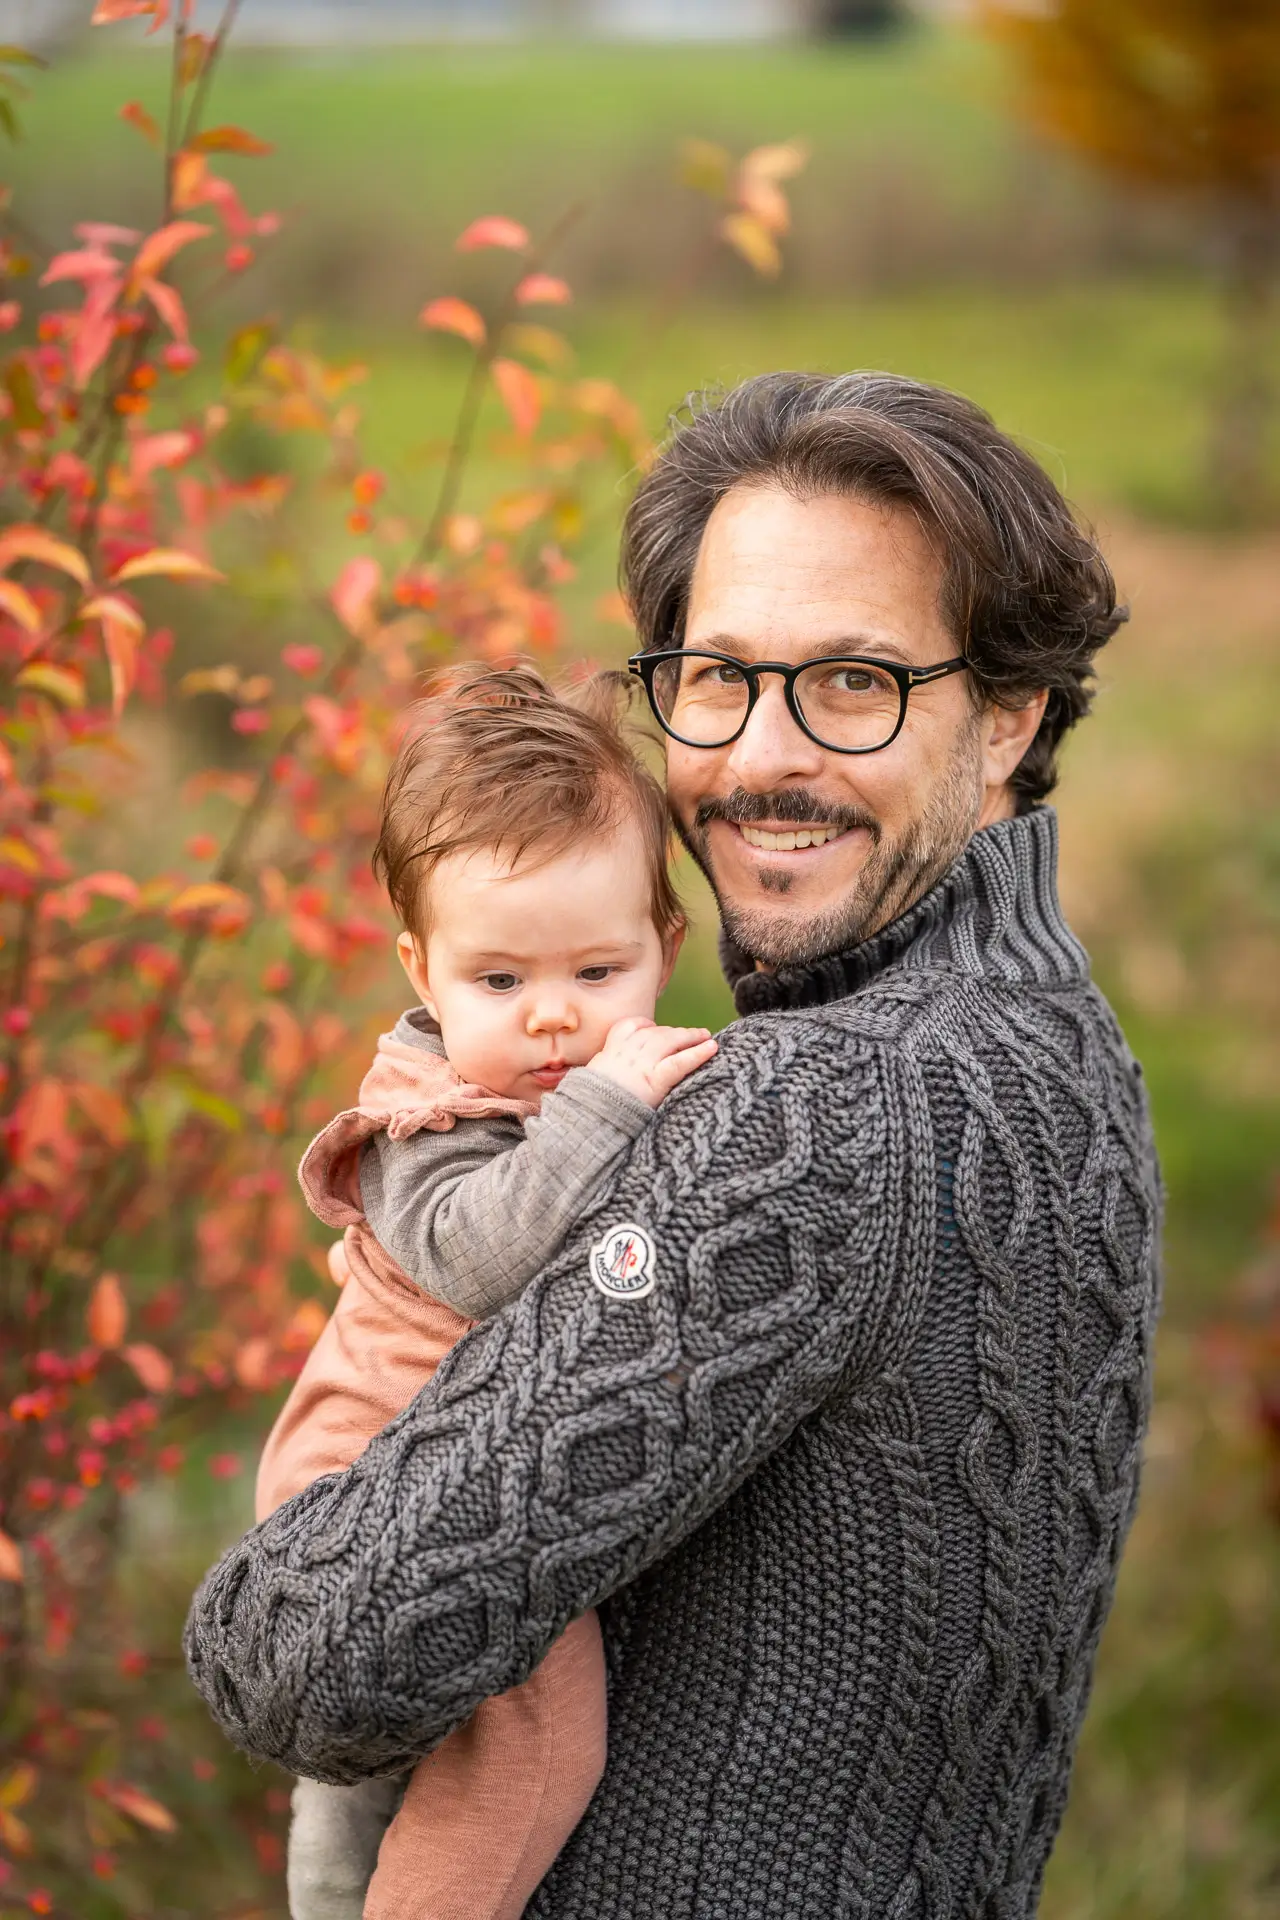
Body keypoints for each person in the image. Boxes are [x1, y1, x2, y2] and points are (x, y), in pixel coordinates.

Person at [187, 371, 1163, 1917]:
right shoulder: (1064, 1049)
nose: (760, 757)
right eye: (717, 676)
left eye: (853, 683)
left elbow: (298, 1660)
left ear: (1007, 717)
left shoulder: (813, 1113)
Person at [257, 668, 716, 1919]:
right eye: (499, 983)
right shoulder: (427, 1121)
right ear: (421, 966)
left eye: (599, 969)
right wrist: (610, 1106)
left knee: (384, 1773)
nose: (557, 1022)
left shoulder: (570, 1071)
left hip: (425, 1467)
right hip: (375, 1475)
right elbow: (476, 1256)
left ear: (663, 947)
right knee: (531, 1746)